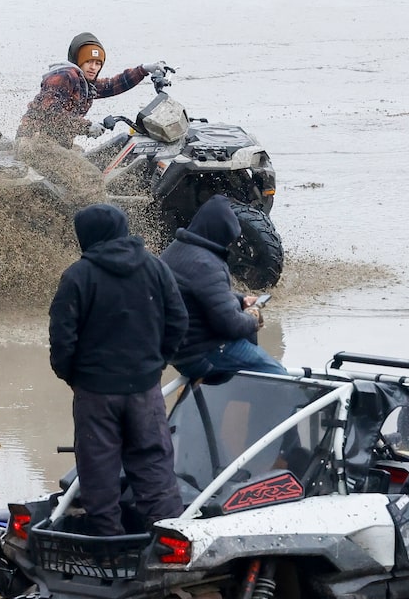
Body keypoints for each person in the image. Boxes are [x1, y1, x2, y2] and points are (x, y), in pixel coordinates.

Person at [49, 203, 188, 536]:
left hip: (95, 393)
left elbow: (62, 339)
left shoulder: (77, 276)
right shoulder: (156, 268)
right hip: (145, 390)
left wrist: (73, 377)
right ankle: (168, 543)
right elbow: (179, 321)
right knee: (154, 465)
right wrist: (157, 364)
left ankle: (109, 546)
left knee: (99, 470)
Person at [16, 32, 167, 206]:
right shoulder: (64, 76)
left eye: (97, 63)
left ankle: (70, 208)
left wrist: (144, 70)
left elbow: (112, 85)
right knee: (91, 178)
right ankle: (95, 227)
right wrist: (86, 127)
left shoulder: (85, 83)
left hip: (53, 144)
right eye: (88, 61)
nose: (93, 67)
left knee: (91, 162)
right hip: (35, 142)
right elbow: (51, 113)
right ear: (77, 60)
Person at [162, 195, 285, 380]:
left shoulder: (174, 250)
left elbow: (198, 295)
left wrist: (239, 300)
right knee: (280, 378)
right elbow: (231, 325)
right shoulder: (207, 264)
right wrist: (253, 317)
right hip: (203, 353)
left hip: (176, 351)